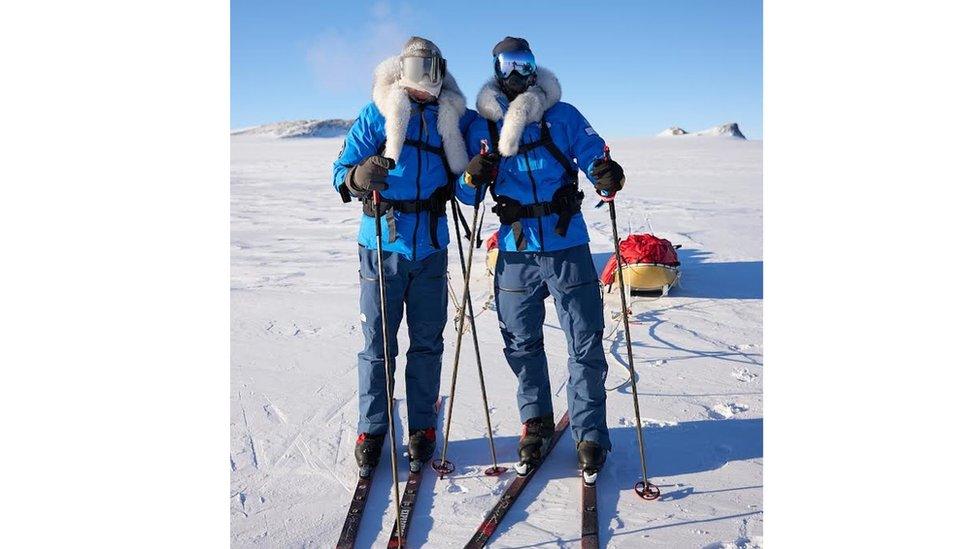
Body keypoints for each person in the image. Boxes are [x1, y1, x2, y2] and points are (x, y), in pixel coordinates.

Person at [456, 37, 626, 477]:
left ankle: (590, 434)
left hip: (567, 244)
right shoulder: (481, 126)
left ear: (535, 67)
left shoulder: (562, 116)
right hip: (514, 251)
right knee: (521, 342)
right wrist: (473, 178)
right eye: (507, 64)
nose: (516, 73)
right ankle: (536, 422)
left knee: (585, 340)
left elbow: (594, 156)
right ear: (495, 69)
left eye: (524, 63)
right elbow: (464, 192)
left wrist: (606, 176)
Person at [332, 37, 475, 474]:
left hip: (431, 247)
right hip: (382, 245)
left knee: (428, 342)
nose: (424, 81)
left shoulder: (451, 118)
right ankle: (372, 431)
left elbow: (467, 190)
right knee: (378, 344)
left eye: (431, 69)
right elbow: (341, 173)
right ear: (402, 70)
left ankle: (422, 428)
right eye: (417, 69)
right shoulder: (378, 112)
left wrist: (475, 175)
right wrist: (359, 176)